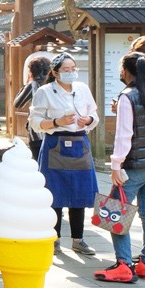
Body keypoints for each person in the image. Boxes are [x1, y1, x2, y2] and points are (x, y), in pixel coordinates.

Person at [95, 51, 145, 283]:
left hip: (133, 166)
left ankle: (123, 265)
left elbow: (124, 135)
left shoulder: (127, 97)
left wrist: (116, 165)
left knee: (116, 211)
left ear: (127, 71)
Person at [29, 52, 99, 256]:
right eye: (66, 70)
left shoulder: (83, 89)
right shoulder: (45, 91)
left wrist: (88, 121)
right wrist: (57, 122)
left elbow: (94, 114)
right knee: (54, 193)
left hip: (80, 142)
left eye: (73, 69)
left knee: (80, 191)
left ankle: (79, 239)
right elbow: (35, 121)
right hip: (55, 142)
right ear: (55, 73)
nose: (70, 73)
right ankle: (54, 239)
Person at [13, 56, 53, 160]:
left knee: (39, 164)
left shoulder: (33, 85)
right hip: (55, 131)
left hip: (37, 134)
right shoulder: (55, 85)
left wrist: (26, 84)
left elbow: (18, 103)